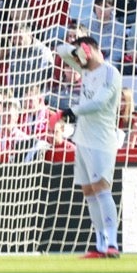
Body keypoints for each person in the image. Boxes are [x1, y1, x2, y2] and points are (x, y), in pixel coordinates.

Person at [53, 35, 123, 258]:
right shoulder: (85, 69)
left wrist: (70, 112)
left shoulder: (110, 72)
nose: (75, 60)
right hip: (82, 139)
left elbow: (99, 102)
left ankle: (112, 243)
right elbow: (59, 50)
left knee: (102, 188)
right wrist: (76, 51)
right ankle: (100, 244)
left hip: (101, 141)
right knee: (88, 191)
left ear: (89, 50)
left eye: (80, 53)